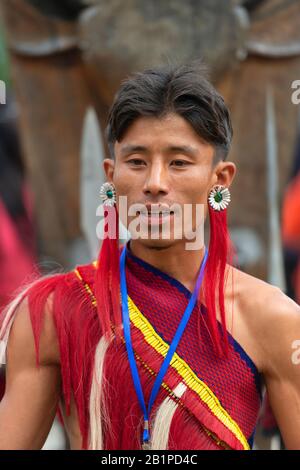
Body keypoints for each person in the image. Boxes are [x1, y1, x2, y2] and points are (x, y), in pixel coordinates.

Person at [0, 62, 299, 450]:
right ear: (111, 175)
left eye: (179, 162)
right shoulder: (54, 310)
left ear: (220, 179)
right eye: (137, 162)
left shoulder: (274, 319)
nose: (155, 183)